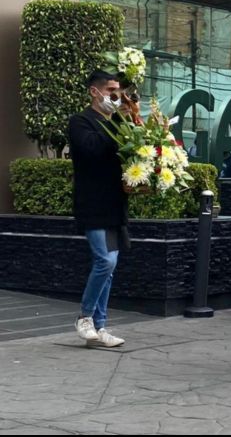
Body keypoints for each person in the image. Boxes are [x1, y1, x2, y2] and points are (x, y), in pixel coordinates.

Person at [68, 70, 130, 348]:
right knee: (104, 261)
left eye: (118, 92)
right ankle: (85, 316)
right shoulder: (80, 121)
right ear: (95, 91)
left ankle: (101, 325)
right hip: (92, 203)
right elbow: (91, 150)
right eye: (111, 91)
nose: (115, 98)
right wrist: (117, 123)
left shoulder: (119, 122)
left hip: (115, 203)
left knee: (111, 266)